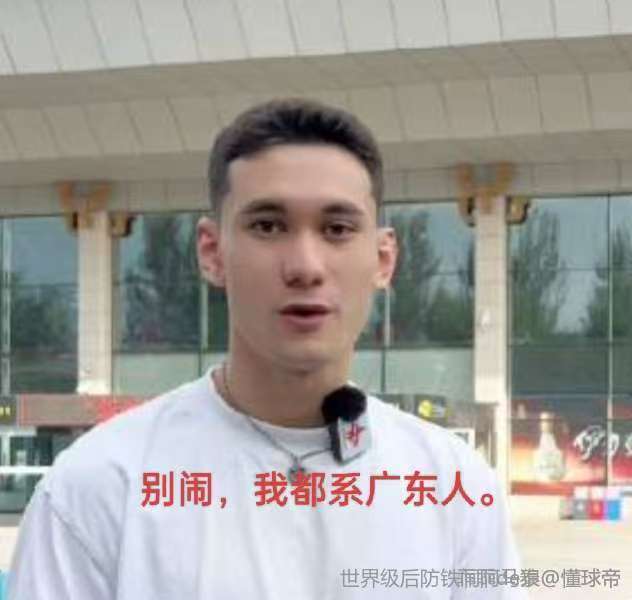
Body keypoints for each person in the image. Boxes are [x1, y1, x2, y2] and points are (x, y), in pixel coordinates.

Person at [8, 98, 526, 599]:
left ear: (383, 258)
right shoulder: (98, 487)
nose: (305, 266)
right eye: (268, 226)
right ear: (212, 252)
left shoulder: (453, 487)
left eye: (337, 229)